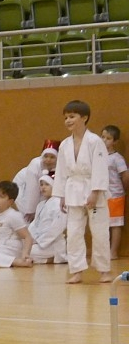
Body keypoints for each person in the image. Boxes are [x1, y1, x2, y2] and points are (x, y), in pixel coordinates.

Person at [53, 100, 111, 283]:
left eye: (72, 116)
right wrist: (61, 195)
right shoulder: (64, 145)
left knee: (100, 231)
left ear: (84, 118)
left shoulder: (95, 141)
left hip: (93, 189)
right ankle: (76, 270)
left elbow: (101, 168)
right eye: (66, 117)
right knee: (74, 232)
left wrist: (95, 192)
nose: (68, 121)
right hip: (72, 191)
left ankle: (104, 270)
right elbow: (61, 171)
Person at [13, 139, 61, 221]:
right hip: (22, 186)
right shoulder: (35, 164)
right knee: (29, 215)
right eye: (46, 156)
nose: (48, 160)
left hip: (41, 186)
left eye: (52, 157)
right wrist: (30, 211)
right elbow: (32, 189)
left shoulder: (61, 165)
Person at [102, 125, 128, 259]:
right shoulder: (99, 156)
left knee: (115, 224)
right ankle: (103, 250)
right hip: (102, 195)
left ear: (115, 141)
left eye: (108, 138)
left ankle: (113, 251)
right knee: (103, 223)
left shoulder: (117, 158)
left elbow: (125, 175)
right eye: (103, 137)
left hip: (115, 195)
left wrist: (123, 189)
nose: (105, 140)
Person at [28, 174, 68, 264]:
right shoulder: (40, 205)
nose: (43, 187)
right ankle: (45, 259)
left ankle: (55, 257)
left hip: (52, 243)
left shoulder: (59, 203)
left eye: (47, 184)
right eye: (41, 185)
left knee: (27, 251)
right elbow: (35, 224)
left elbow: (57, 228)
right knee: (22, 247)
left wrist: (40, 241)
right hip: (38, 241)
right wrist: (30, 239)